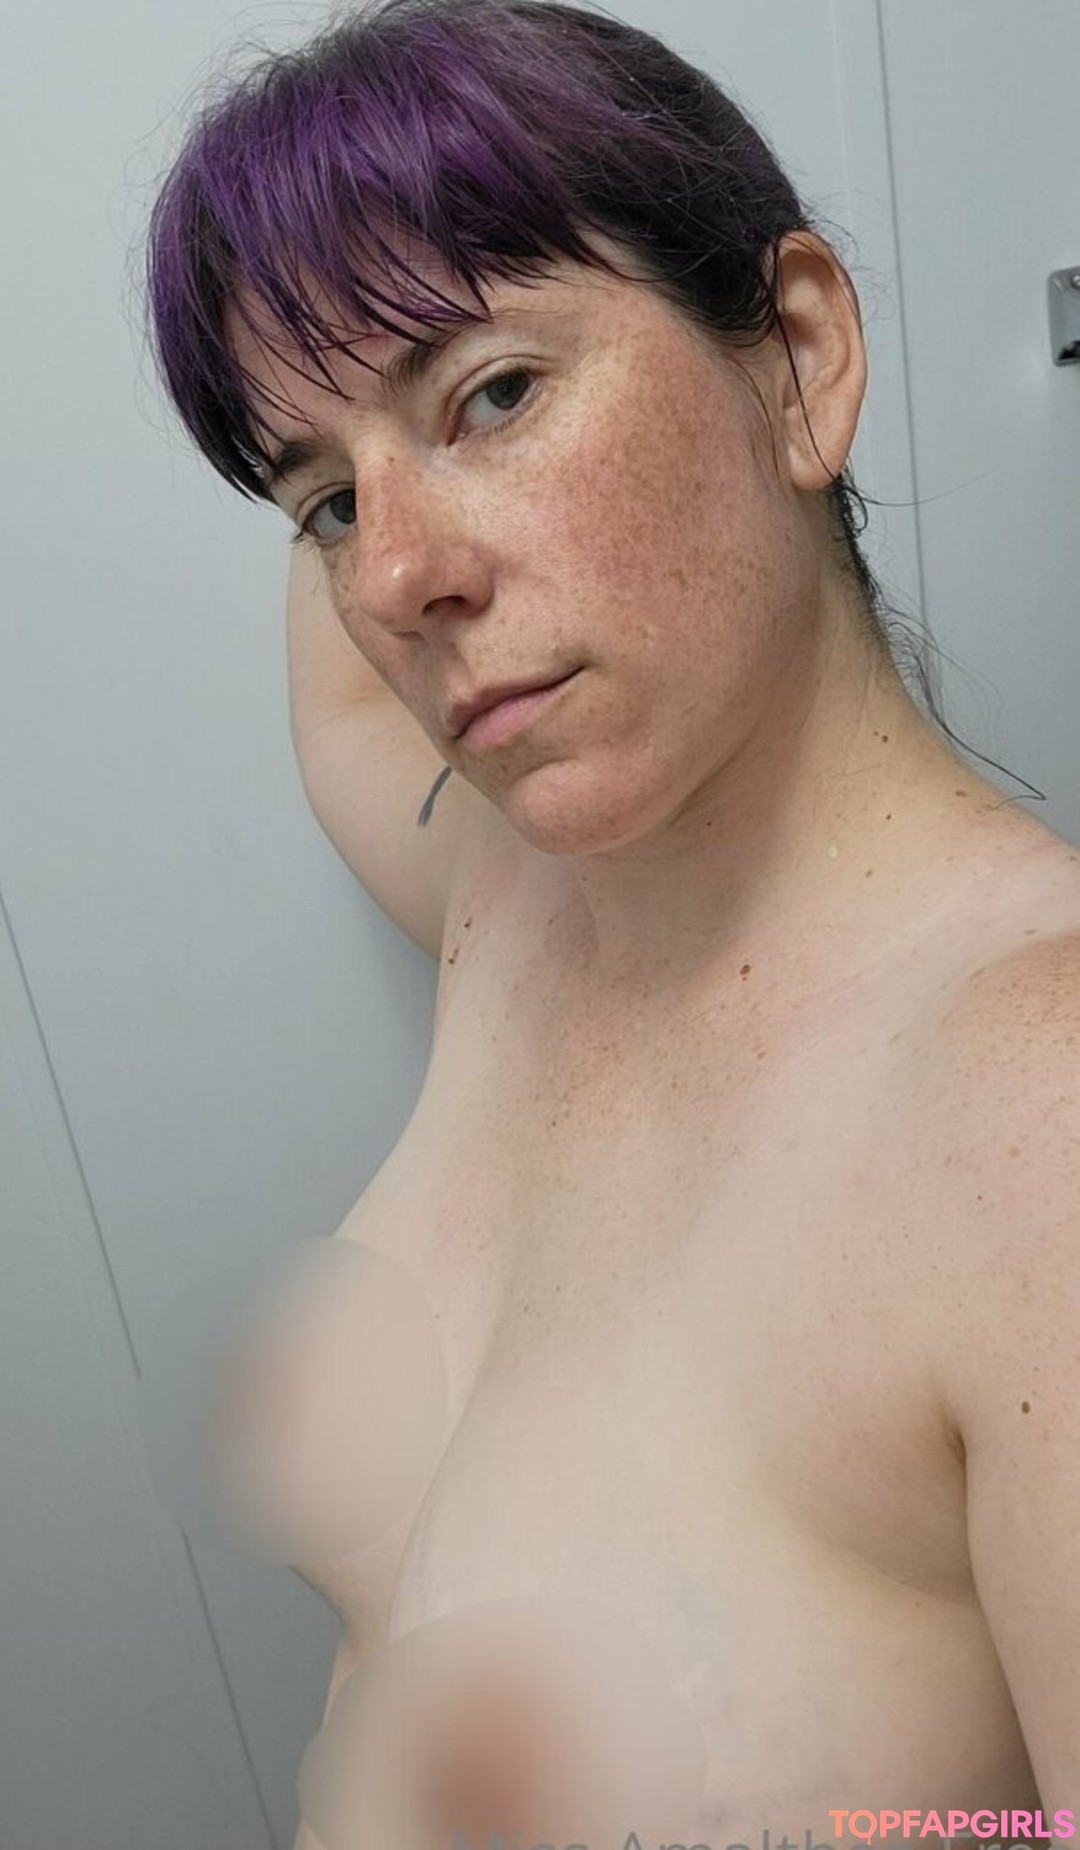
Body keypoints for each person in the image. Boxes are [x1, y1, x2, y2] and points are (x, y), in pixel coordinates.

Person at [145, 1, 1080, 1843]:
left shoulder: (1033, 1120)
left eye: (494, 394)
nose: (398, 577)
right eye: (328, 501)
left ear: (798, 358)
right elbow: (340, 642)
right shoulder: (507, 895)